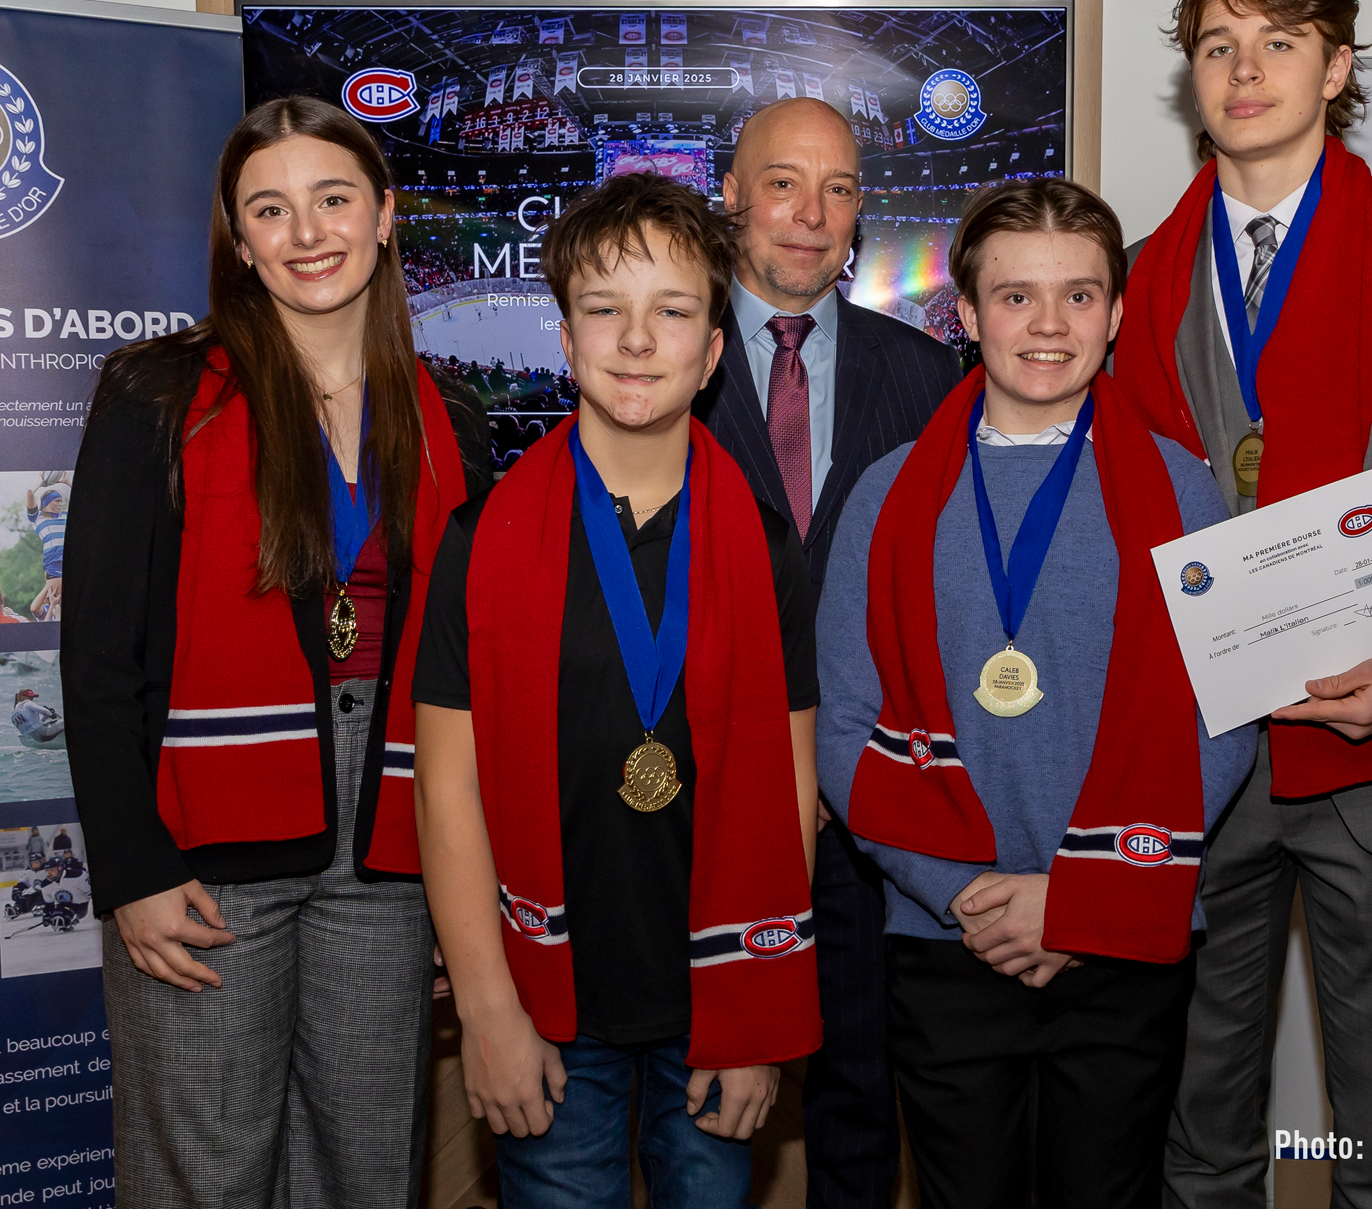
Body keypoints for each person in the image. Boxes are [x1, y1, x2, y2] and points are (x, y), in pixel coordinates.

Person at [1111, 0, 1372, 1209]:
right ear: (1191, 75)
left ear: (1335, 66)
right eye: (1217, 46)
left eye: (1277, 42)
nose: (1244, 71)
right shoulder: (1143, 271)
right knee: (1197, 1124)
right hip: (1204, 759)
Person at [62, 95, 490, 1209]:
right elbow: (98, 652)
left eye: (333, 198)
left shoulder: (454, 414)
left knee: (366, 1170)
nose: (306, 231)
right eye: (270, 208)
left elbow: (473, 676)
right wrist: (132, 868)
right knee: (203, 1174)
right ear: (239, 240)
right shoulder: (157, 393)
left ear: (386, 216)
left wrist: (465, 886)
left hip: (390, 848)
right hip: (201, 848)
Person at [817, 178, 1258, 1209]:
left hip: (1124, 931)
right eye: (1015, 296)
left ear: (1112, 312)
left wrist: (1078, 898)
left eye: (1078, 294)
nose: (1048, 324)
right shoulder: (886, 497)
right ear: (964, 315)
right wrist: (961, 892)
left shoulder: (1184, 489)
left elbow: (1226, 710)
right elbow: (843, 721)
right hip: (945, 934)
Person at [413, 173, 822, 1208]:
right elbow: (444, 795)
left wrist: (757, 1017)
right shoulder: (482, 539)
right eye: (605, 308)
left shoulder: (765, 545)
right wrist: (491, 1014)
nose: (636, 339)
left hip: (710, 1003)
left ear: (713, 351)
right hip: (547, 1003)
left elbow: (792, 788)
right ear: (564, 336)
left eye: (671, 311)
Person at [698, 94, 962, 1209]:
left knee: (861, 1094)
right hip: (693, 796)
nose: (810, 215)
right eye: (782, 183)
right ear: (730, 196)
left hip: (867, 803)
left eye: (840, 188)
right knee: (695, 1099)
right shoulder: (666, 354)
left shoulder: (931, 376)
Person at [26, 473, 66, 619]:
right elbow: (29, 493)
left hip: (74, 559)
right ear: (47, 503)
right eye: (57, 501)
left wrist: (67, 482)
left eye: (61, 501)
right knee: (57, 603)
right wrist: (41, 483)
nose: (60, 504)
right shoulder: (37, 518)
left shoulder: (66, 515)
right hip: (54, 563)